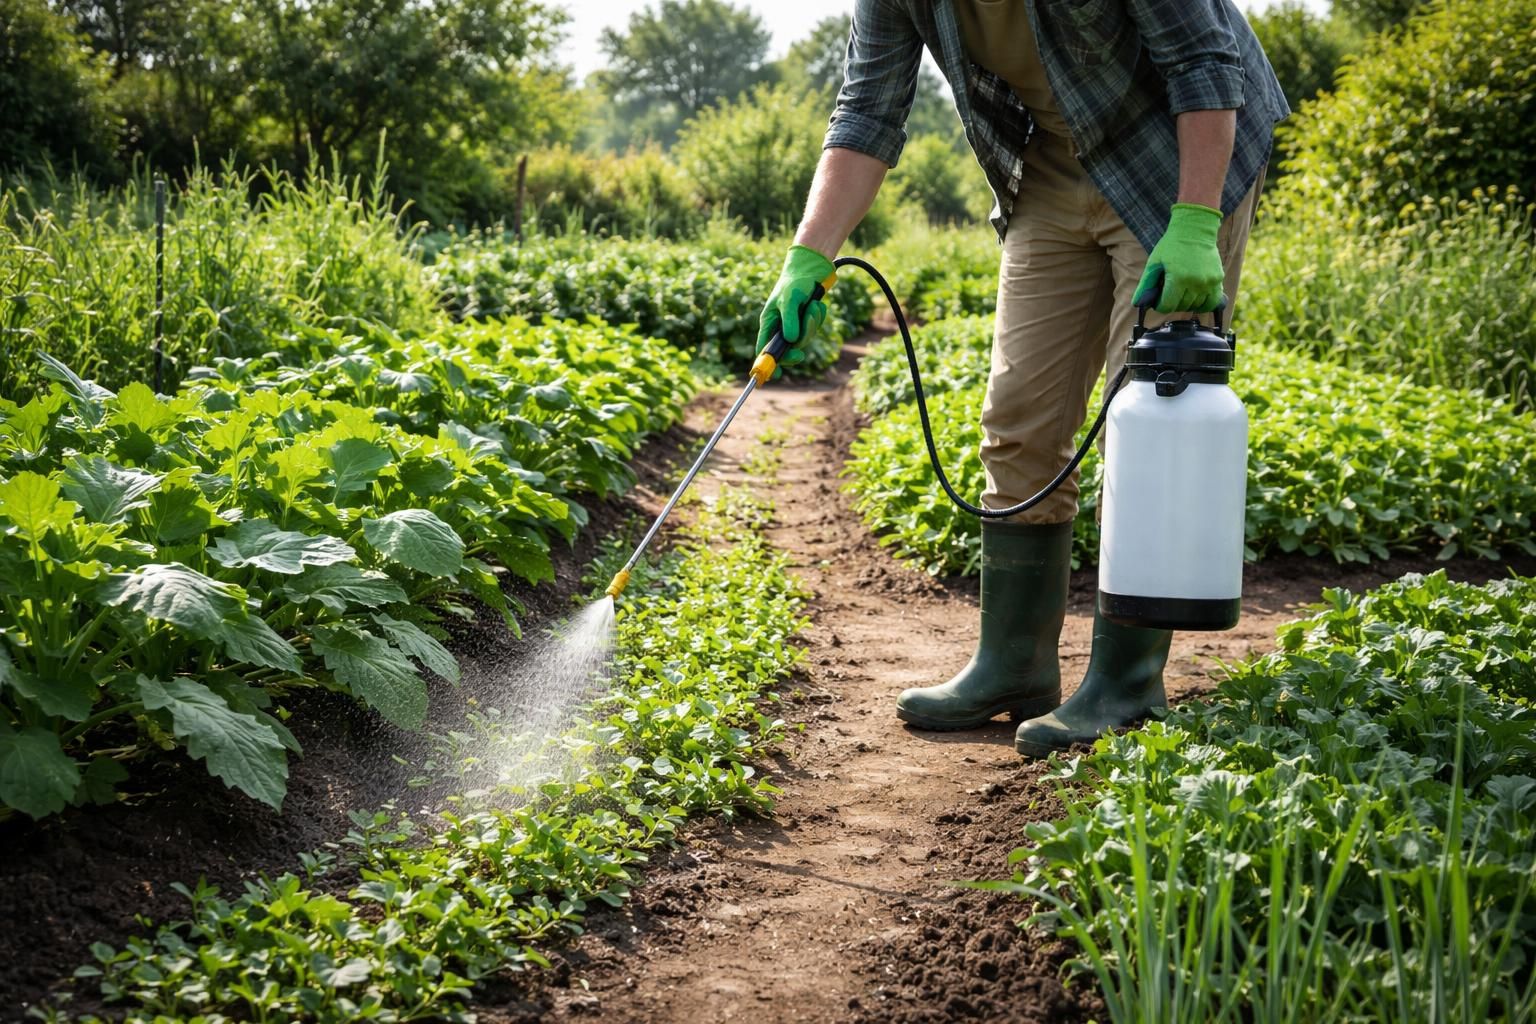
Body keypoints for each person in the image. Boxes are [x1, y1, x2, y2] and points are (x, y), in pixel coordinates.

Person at [757, 0, 1289, 757]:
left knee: (1145, 416)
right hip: (1049, 169)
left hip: (1174, 158)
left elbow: (1204, 61)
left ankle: (1127, 684)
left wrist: (1197, 220)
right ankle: (1014, 664)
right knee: (1018, 421)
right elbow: (868, 107)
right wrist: (808, 255)